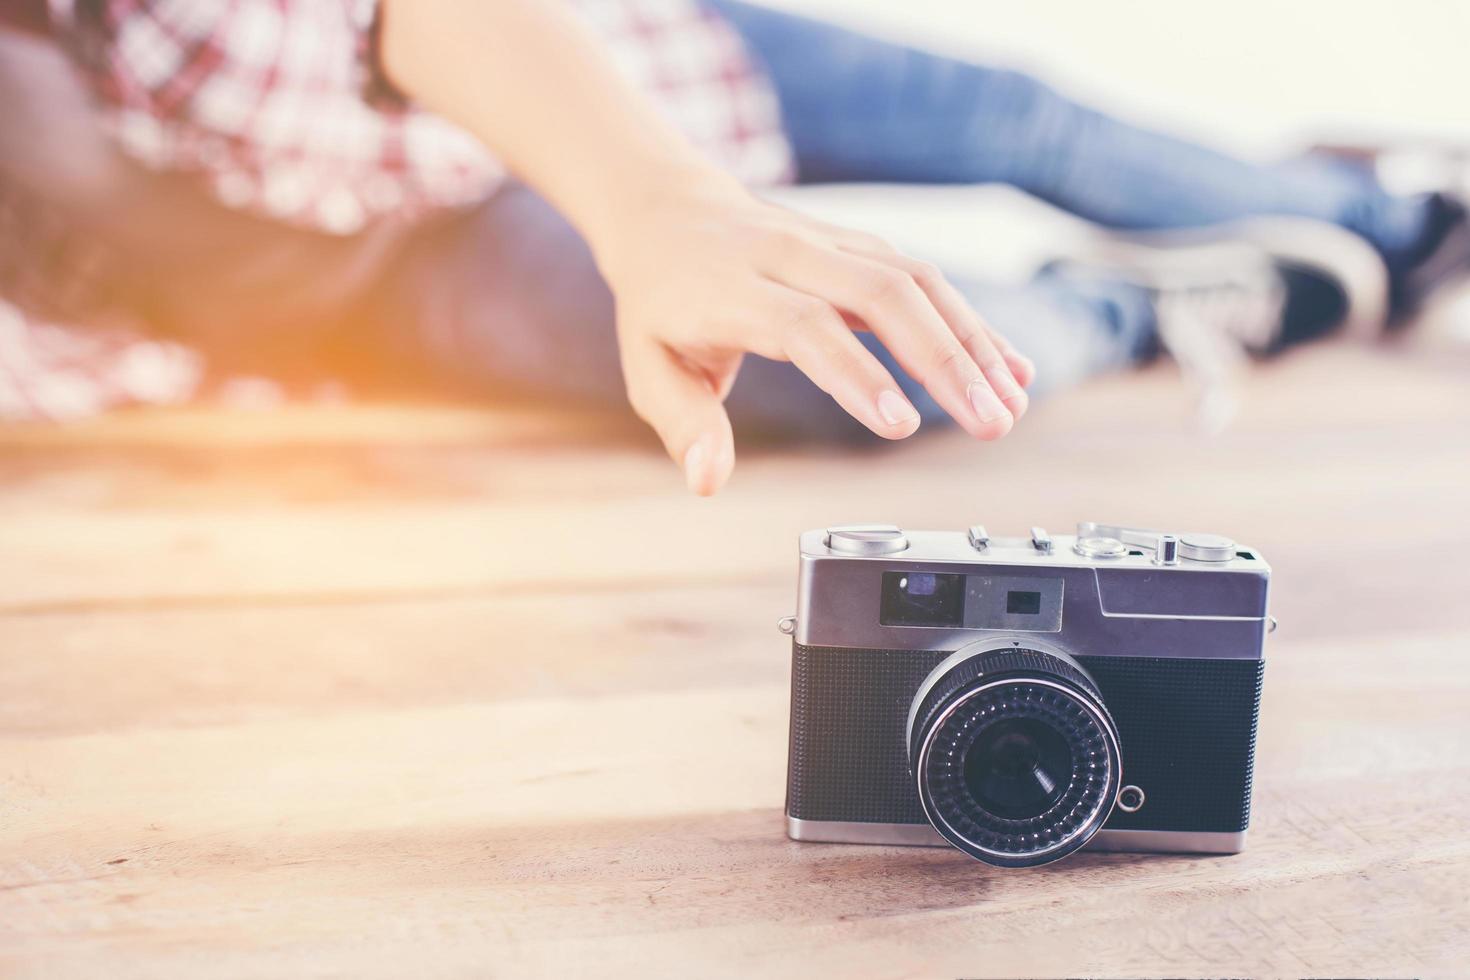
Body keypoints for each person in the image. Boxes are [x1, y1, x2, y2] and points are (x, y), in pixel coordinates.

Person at [0, 0, 1464, 494]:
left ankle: (1398, 219)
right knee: (862, 375)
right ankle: (1163, 306)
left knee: (1002, 119)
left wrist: (652, 202)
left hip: (601, 68)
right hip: (385, 280)